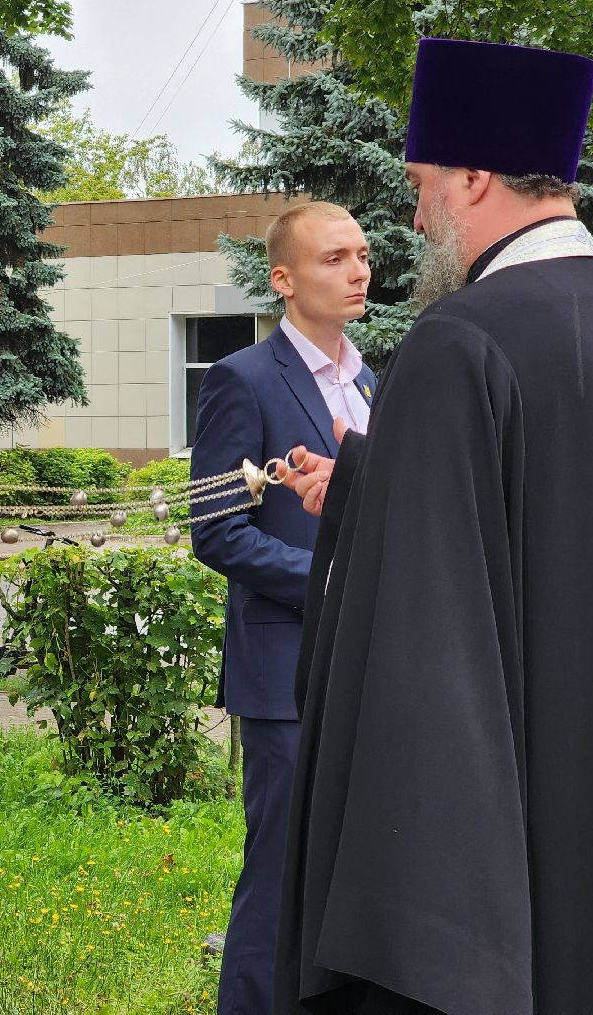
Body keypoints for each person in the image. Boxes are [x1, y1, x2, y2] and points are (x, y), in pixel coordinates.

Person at [275, 39, 593, 1015]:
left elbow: (429, 649)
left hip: (498, 868)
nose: (416, 214)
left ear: (473, 176)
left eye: (424, 183)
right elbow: (550, 530)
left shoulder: (458, 341)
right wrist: (361, 490)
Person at [188, 201, 376, 1014]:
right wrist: (333, 580)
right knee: (277, 877)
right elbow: (216, 531)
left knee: (350, 873)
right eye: (335, 257)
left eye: (363, 254)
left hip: (367, 668)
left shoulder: (372, 381)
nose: (359, 270)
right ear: (285, 279)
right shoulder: (243, 379)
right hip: (285, 673)